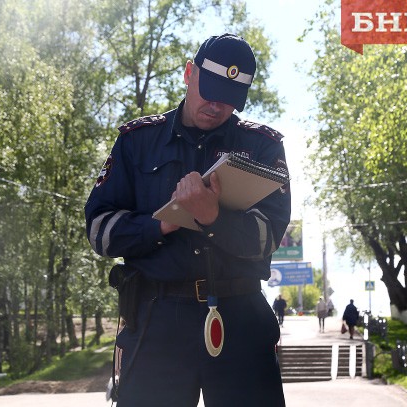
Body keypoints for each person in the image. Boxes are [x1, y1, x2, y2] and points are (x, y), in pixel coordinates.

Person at [85, 33, 290, 407]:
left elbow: (268, 237)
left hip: (240, 317)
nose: (216, 106)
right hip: (156, 320)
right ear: (188, 73)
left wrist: (214, 217)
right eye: (209, 91)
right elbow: (99, 231)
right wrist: (160, 224)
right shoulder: (137, 142)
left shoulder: (263, 147)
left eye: (229, 99)